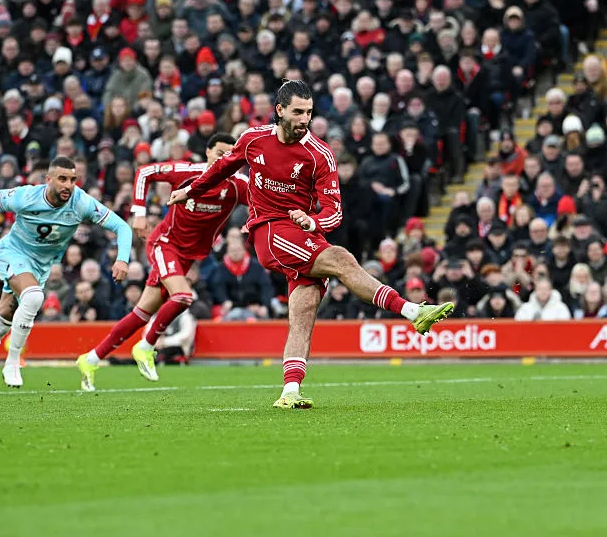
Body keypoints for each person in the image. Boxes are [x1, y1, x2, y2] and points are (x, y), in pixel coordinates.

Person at [169, 80, 453, 409]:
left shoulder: (320, 154)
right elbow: (222, 168)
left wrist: (313, 221)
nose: (305, 119)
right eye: (298, 112)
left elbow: (334, 211)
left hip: (303, 232)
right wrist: (191, 190)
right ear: (279, 111)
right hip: (269, 232)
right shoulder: (253, 140)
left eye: (309, 112)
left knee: (303, 316)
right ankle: (413, 310)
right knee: (342, 260)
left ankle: (290, 392)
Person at [76, 133, 248, 391]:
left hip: (188, 256)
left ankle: (90, 359)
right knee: (182, 297)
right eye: (220, 153)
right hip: (164, 243)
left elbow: (264, 201)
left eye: (230, 156)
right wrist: (140, 213)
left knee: (141, 313)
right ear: (208, 153)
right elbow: (145, 172)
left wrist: (254, 222)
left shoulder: (237, 185)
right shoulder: (187, 172)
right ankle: (146, 346)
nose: (224, 159)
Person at [0, 157, 132, 394]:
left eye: (73, 180)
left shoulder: (81, 203)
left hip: (40, 266)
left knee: (6, 312)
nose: (68, 185)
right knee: (34, 297)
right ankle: (13, 361)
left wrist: (122, 259)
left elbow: (123, 228)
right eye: (62, 179)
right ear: (48, 180)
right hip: (12, 253)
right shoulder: (27, 196)